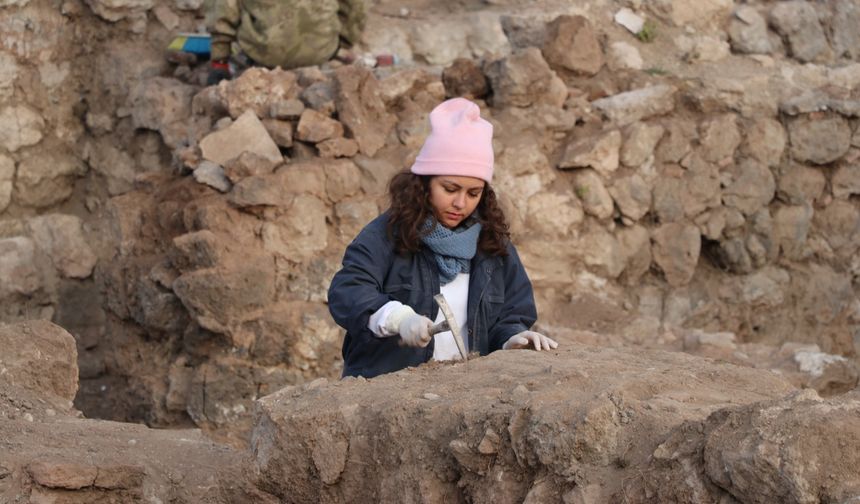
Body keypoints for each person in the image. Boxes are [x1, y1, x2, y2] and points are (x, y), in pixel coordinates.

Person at [328, 98, 559, 379]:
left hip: (463, 398)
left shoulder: (493, 245)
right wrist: (398, 319)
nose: (461, 203)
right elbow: (348, 291)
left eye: (473, 193)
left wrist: (512, 338)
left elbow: (512, 312)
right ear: (424, 183)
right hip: (387, 397)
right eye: (450, 189)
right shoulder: (386, 235)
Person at [206, 0, 366, 85]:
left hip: (264, 53)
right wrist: (341, 42)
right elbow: (355, 8)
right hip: (321, 50)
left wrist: (220, 57)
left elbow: (224, 9)